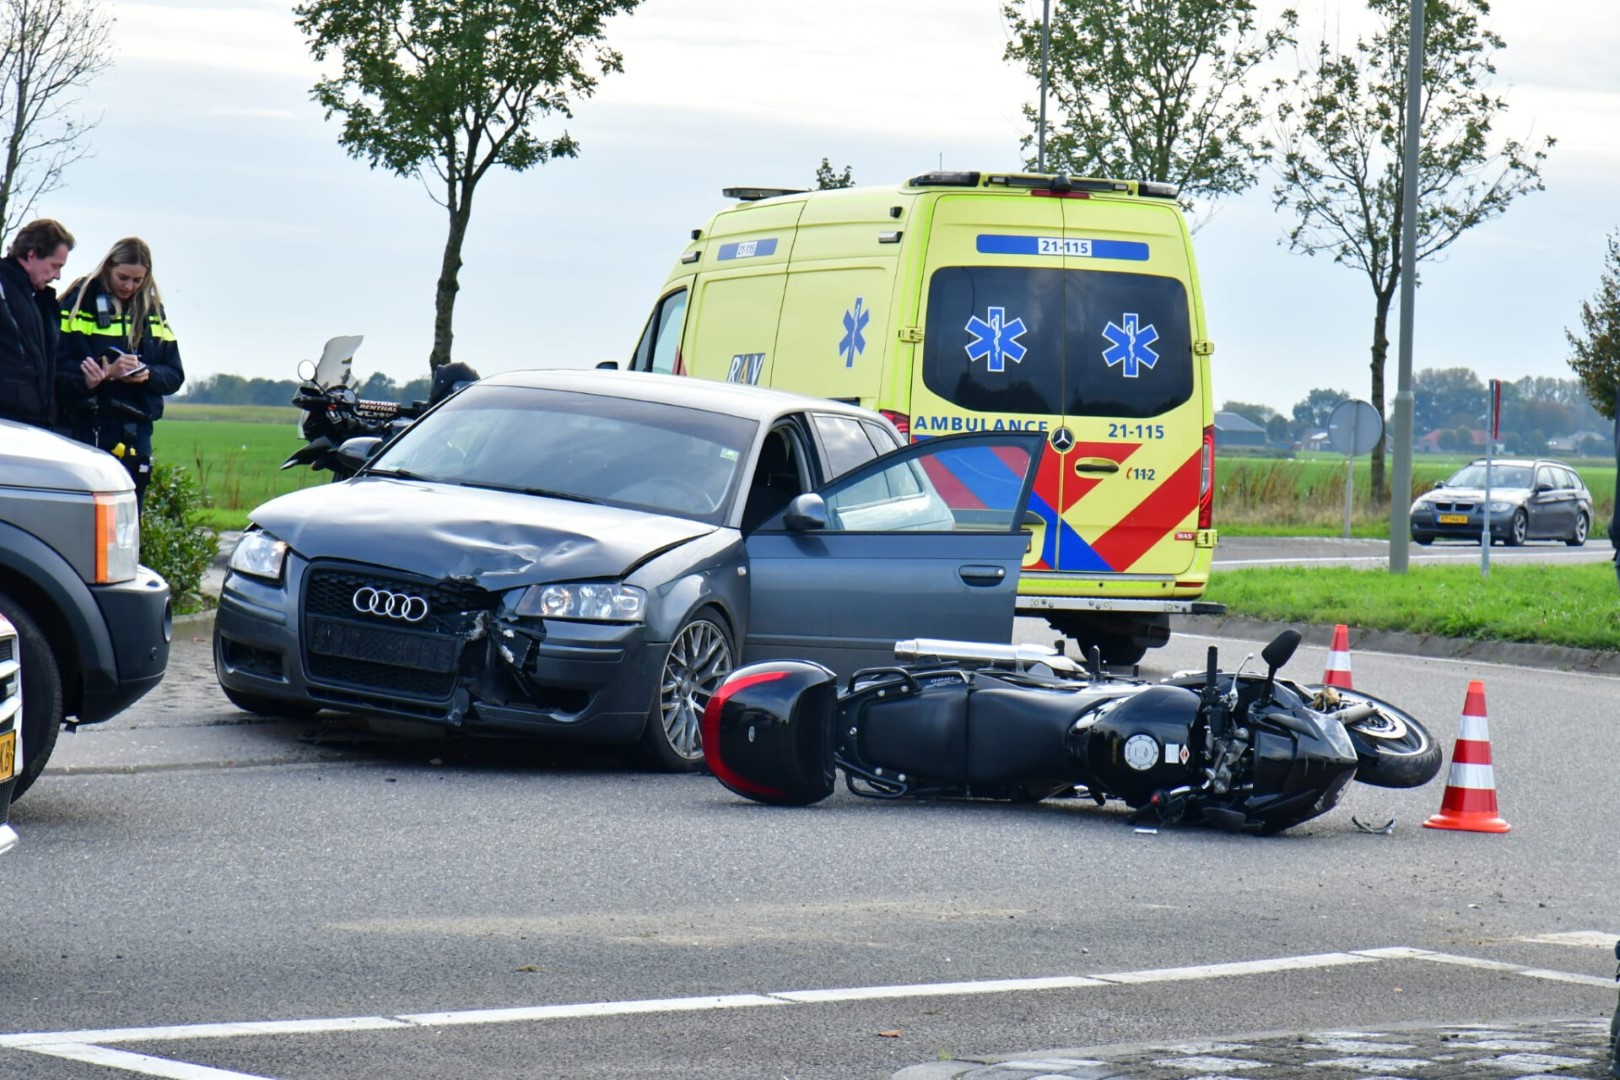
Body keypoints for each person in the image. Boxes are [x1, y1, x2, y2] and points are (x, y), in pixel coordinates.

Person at [57, 237, 185, 509]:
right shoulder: (79, 302)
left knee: (128, 520)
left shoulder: (152, 311)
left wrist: (147, 374)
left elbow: (174, 374)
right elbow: (55, 366)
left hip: (135, 430)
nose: (129, 286)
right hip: (87, 425)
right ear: (108, 268)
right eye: (123, 277)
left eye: (138, 280)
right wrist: (94, 378)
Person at [0, 218, 74, 429]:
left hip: (33, 424)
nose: (58, 276)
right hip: (7, 424)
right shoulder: (4, 290)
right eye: (54, 266)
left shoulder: (41, 301)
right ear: (31, 254)